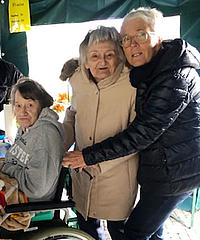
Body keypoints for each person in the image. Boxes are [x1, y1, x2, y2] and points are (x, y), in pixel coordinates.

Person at [62, 7, 200, 240]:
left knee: (133, 233)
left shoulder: (166, 77)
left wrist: (88, 157)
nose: (133, 44)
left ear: (158, 36)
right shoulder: (149, 68)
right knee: (150, 232)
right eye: (127, 39)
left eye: (141, 35)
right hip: (154, 168)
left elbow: (141, 133)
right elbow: (73, 112)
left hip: (172, 172)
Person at [62, 26, 138, 240]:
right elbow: (72, 115)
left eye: (109, 55)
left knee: (119, 230)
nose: (102, 62)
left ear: (120, 57)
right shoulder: (77, 80)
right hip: (81, 173)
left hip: (117, 176)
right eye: (94, 56)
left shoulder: (133, 84)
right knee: (87, 227)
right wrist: (59, 144)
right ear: (85, 60)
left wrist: (96, 162)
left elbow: (137, 136)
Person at [0, 77, 64, 201]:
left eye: (29, 105)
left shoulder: (44, 134)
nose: (22, 112)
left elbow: (36, 188)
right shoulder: (27, 126)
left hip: (26, 205)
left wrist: (3, 170)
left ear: (41, 106)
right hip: (12, 193)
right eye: (18, 105)